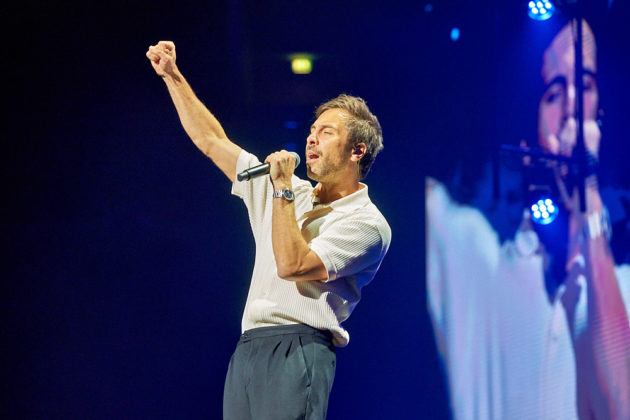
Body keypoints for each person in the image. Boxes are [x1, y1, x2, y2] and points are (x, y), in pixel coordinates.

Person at [146, 40, 391, 419]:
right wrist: (172, 76)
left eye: (326, 132)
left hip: (298, 347)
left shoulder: (367, 223)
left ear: (357, 151)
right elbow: (211, 141)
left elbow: (293, 265)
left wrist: (282, 189)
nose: (312, 138)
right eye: (312, 130)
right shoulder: (291, 191)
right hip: (249, 347)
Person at [426, 20, 630, 419]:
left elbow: (620, 407)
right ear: (526, 143)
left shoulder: (621, 283)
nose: (572, 107)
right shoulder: (481, 262)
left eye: (585, 86)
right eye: (554, 94)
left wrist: (588, 202)